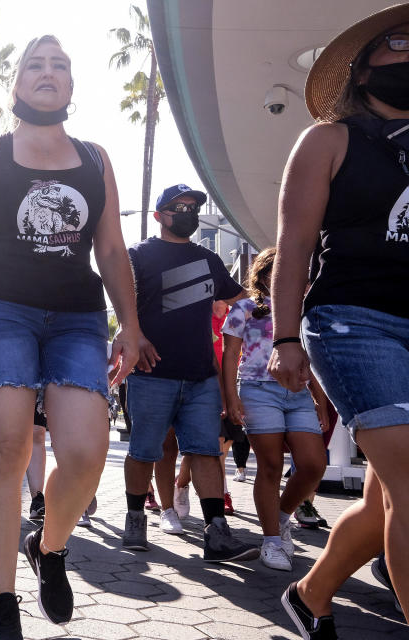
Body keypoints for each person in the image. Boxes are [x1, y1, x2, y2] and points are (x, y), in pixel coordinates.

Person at [0, 35, 140, 638]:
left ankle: (50, 546)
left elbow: (112, 248)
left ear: (71, 85)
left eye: (59, 65)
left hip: (77, 317)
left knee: (88, 453)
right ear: (16, 85)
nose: (47, 73)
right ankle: (2, 602)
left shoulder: (94, 159)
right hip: (2, 310)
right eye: (35, 65)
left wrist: (133, 326)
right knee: (7, 447)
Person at [268, 5, 409, 637]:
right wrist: (286, 337)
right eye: (401, 43)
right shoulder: (328, 140)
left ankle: (312, 593)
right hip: (354, 323)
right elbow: (293, 246)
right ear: (366, 62)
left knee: (388, 500)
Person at [121, 183, 256, 562]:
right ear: (159, 215)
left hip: (201, 378)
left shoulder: (210, 260)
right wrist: (134, 335)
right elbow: (121, 302)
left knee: (206, 452)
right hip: (151, 374)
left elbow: (241, 299)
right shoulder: (138, 256)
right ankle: (135, 520)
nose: (187, 212)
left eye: (193, 206)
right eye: (178, 207)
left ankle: (218, 535)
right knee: (144, 451)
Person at [222, 248, 327, 571]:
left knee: (313, 465)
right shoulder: (244, 308)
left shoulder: (304, 309)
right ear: (265, 274)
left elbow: (312, 356)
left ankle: (280, 516)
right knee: (269, 465)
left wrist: (321, 402)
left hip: (298, 393)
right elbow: (229, 357)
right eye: (275, 270)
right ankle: (271, 541)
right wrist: (230, 398)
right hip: (257, 391)